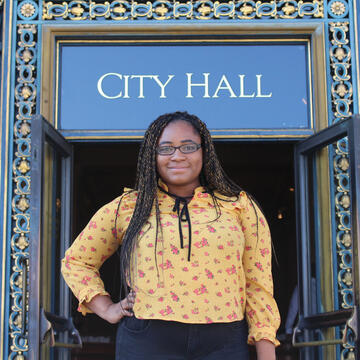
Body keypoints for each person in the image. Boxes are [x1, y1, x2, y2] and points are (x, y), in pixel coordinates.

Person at [61, 111, 280, 359]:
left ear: (204, 152)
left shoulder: (238, 206)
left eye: (188, 146)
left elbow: (258, 284)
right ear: (151, 157)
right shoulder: (129, 206)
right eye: (165, 149)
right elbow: (77, 261)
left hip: (224, 341)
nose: (177, 156)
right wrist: (107, 308)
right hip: (148, 341)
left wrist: (266, 351)